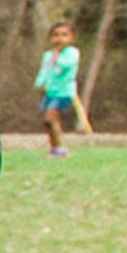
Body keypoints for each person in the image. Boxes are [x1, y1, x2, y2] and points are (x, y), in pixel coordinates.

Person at [36, 21, 86, 157]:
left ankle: (60, 148)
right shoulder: (48, 55)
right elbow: (45, 70)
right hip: (50, 91)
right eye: (56, 35)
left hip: (63, 91)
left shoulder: (72, 53)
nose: (60, 39)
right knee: (47, 122)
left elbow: (65, 66)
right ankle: (54, 147)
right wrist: (40, 83)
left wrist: (57, 56)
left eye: (64, 35)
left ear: (72, 38)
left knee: (51, 117)